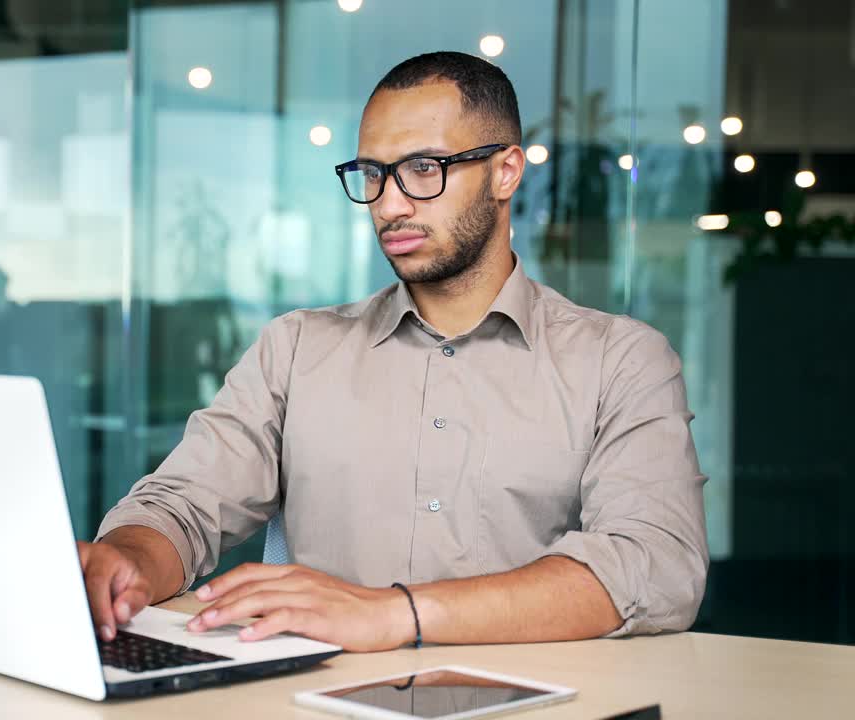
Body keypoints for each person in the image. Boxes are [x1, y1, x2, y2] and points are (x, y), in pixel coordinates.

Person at [80, 52, 708, 651]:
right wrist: (129, 561)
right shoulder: (297, 348)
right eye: (374, 174)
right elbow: (182, 505)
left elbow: (653, 567)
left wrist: (394, 612)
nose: (391, 203)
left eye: (424, 169)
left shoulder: (620, 360)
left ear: (505, 171)